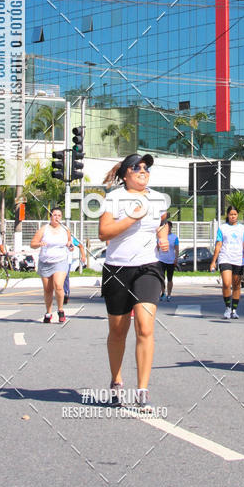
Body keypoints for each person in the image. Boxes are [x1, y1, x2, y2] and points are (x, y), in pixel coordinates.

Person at [99, 153, 169, 408]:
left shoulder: (157, 198)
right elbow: (103, 233)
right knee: (118, 331)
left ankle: (142, 389)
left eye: (146, 168)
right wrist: (132, 218)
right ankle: (116, 380)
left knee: (145, 326)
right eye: (137, 167)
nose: (143, 171)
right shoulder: (115, 198)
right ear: (126, 174)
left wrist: (163, 235)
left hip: (148, 268)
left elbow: (162, 222)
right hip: (118, 269)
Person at [31, 207, 74, 323]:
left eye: (59, 215)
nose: (57, 217)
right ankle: (48, 312)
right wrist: (40, 244)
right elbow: (33, 244)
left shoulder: (65, 229)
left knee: (58, 285)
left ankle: (60, 310)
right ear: (50, 216)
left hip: (60, 261)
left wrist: (70, 246)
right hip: (45, 262)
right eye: (54, 215)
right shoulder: (44, 229)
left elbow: (69, 243)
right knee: (48, 289)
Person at [209, 205, 244, 319]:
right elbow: (219, 244)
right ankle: (227, 308)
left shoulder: (242, 229)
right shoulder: (223, 228)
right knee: (227, 283)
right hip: (225, 258)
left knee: (236, 285)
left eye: (235, 214)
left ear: (237, 215)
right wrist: (214, 261)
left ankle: (234, 310)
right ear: (228, 215)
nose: (233, 216)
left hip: (238, 259)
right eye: (231, 214)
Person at [158, 219, 179, 301]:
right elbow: (157, 247)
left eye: (169, 227)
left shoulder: (174, 237)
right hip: (161, 260)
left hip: (170, 260)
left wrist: (176, 259)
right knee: (161, 278)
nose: (167, 228)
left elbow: (176, 249)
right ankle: (163, 293)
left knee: (169, 278)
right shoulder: (160, 236)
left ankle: (169, 294)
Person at [63, 233, 86, 305]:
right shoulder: (57, 236)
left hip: (67, 261)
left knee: (65, 277)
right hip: (57, 260)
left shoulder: (72, 239)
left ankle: (66, 293)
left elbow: (80, 246)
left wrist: (83, 256)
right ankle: (60, 294)